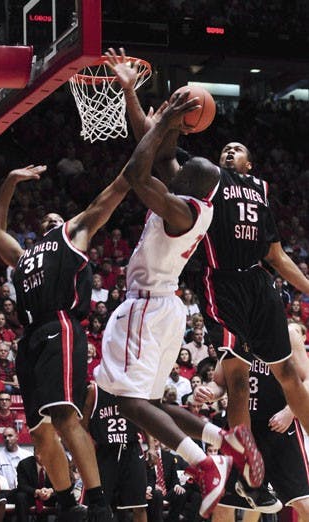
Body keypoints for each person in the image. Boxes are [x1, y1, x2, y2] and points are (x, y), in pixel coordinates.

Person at [108, 47, 309, 440]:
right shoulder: (207, 177)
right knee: (237, 377)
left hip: (258, 282)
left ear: (250, 164)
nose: (229, 150)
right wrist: (148, 109)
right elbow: (158, 155)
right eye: (225, 148)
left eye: (238, 149)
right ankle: (239, 465)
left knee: (286, 372)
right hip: (224, 282)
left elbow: (275, 255)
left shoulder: (261, 189)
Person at [95, 60, 264, 520]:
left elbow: (136, 171)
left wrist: (167, 122)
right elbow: (153, 145)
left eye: (179, 169)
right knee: (153, 404)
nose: (174, 168)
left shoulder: (181, 210)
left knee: (127, 401)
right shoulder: (188, 198)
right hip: (163, 309)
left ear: (189, 181)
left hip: (147, 309)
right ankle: (221, 439)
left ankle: (204, 465)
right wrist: (134, 94)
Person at [0, 161, 130, 522]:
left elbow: (115, 190)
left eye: (56, 218)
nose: (50, 222)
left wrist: (150, 141)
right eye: (45, 221)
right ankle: (68, 504)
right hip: (30, 337)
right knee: (39, 433)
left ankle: (98, 503)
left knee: (65, 416)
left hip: (60, 325)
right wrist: (9, 181)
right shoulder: (23, 257)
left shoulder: (73, 234)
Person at [194, 322, 309, 521]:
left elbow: (307, 379)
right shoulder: (232, 335)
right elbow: (220, 383)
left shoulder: (287, 333)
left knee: (304, 503)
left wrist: (290, 411)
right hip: (239, 430)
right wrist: (208, 391)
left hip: (278, 427)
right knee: (223, 506)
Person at [82, 381, 148, 522]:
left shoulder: (134, 387)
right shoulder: (94, 390)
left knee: (139, 506)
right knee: (97, 506)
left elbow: (147, 419)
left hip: (131, 449)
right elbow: (82, 427)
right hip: (104, 451)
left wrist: (153, 448)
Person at [15, 447, 61, 522]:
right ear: (34, 454)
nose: (42, 456)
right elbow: (22, 485)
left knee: (63, 496)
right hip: (32, 495)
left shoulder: (57, 463)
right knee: (20, 496)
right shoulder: (24, 464)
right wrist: (37, 492)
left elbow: (64, 484)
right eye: (39, 453)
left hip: (51, 496)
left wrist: (51, 491)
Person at [0, 427, 32, 491]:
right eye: (5, 437)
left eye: (10, 436)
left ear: (17, 437)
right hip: (7, 493)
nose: (7, 439)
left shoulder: (28, 455)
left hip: (26, 493)